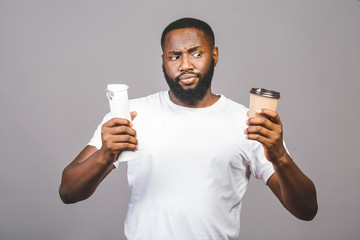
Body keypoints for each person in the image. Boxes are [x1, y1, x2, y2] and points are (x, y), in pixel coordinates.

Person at [59, 17, 317, 239]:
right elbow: (69, 192)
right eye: (175, 56)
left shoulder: (247, 122)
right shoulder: (131, 115)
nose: (185, 65)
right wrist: (105, 155)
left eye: (196, 53)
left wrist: (280, 158)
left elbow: (306, 210)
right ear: (164, 60)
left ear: (214, 55)